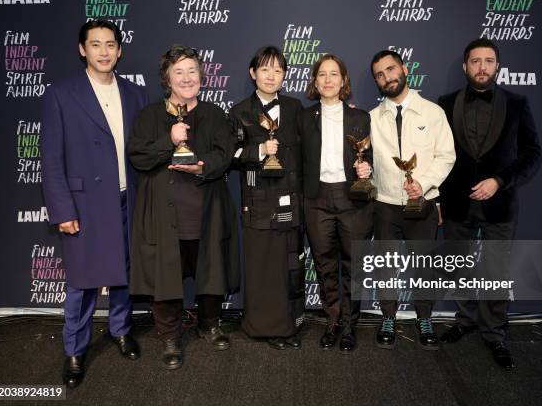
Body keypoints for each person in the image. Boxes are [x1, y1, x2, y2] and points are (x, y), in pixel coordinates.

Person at [41, 20, 148, 388]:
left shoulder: (136, 94)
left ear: (120, 50)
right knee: (82, 282)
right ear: (82, 49)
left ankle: (120, 329)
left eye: (110, 44)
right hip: (84, 205)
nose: (104, 51)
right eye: (96, 44)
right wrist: (63, 210)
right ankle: (75, 349)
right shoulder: (62, 94)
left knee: (124, 272)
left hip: (127, 199)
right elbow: (51, 158)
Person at [127, 45, 239, 369]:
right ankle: (171, 335)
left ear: (201, 76)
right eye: (179, 72)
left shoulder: (216, 114)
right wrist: (169, 140)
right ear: (167, 78)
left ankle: (209, 323)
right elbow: (138, 155)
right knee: (165, 276)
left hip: (206, 209)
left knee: (211, 270)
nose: (187, 78)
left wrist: (202, 166)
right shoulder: (150, 116)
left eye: (192, 71)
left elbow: (225, 153)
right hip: (164, 213)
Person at [437, 38, 541, 370]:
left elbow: (531, 154)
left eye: (489, 61)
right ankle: (465, 321)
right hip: (457, 203)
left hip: (500, 204)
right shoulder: (445, 102)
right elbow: (438, 155)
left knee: (495, 273)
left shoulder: (517, 103)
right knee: (461, 269)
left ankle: (495, 334)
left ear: (497, 66)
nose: (482, 67)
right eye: (476, 61)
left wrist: (499, 181)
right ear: (466, 66)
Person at [369, 50, 455, 350]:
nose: (387, 77)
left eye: (390, 69)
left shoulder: (433, 112)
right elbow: (366, 162)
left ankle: (424, 318)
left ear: (403, 69)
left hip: (424, 205)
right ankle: (388, 318)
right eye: (379, 74)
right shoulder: (370, 119)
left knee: (424, 266)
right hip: (384, 206)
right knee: (385, 266)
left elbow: (446, 156)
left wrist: (425, 183)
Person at [229, 46, 305, 350]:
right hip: (257, 203)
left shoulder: (296, 107)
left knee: (288, 265)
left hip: (291, 200)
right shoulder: (239, 111)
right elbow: (230, 156)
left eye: (277, 70)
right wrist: (259, 151)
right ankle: (260, 327)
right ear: (252, 73)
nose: (271, 75)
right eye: (265, 69)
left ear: (285, 75)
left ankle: (288, 326)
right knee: (261, 267)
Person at [299, 54, 373, 352]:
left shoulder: (360, 117)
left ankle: (350, 324)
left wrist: (366, 168)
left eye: (334, 74)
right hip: (316, 199)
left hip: (351, 198)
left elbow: (368, 157)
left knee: (353, 264)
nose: (328, 80)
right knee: (325, 265)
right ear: (315, 82)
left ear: (343, 80)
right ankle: (332, 320)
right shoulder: (304, 118)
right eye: (322, 75)